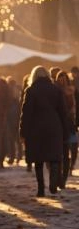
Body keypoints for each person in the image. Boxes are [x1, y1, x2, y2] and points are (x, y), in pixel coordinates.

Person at [20, 66, 68, 197]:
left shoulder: (30, 90)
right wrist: (65, 130)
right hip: (54, 126)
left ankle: (41, 189)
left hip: (36, 128)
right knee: (54, 157)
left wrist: (23, 132)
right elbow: (63, 112)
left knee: (38, 159)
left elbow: (26, 113)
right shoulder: (56, 90)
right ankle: (53, 184)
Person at [54, 71, 76, 189]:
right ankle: (58, 178)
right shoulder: (55, 91)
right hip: (57, 125)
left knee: (67, 153)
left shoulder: (71, 91)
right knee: (58, 154)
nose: (62, 81)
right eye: (60, 79)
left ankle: (63, 180)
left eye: (64, 79)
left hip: (68, 125)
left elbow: (74, 109)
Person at [4, 77, 23, 166]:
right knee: (16, 139)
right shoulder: (18, 94)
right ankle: (17, 156)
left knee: (12, 139)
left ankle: (14, 156)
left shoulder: (8, 96)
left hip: (13, 118)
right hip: (15, 118)